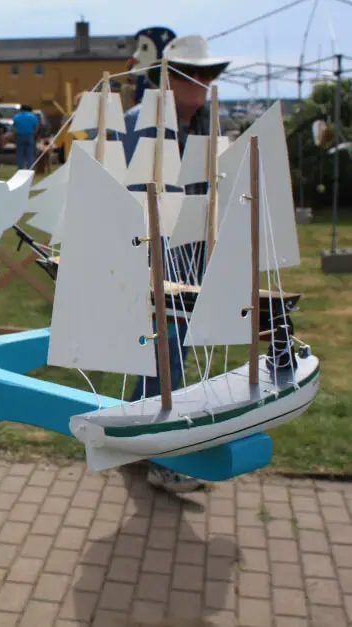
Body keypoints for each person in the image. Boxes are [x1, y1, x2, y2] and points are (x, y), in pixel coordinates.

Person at [118, 34, 230, 493]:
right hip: (153, 257)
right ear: (168, 78)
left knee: (168, 354)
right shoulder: (139, 124)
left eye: (209, 75)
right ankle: (161, 453)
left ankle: (134, 441)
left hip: (194, 255)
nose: (202, 84)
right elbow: (128, 192)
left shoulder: (206, 125)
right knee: (166, 356)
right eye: (193, 74)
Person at [11, 105, 39, 169]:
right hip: (29, 136)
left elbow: (13, 128)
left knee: (20, 154)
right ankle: (30, 168)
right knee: (30, 154)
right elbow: (36, 127)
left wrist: (14, 136)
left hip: (19, 136)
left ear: (21, 109)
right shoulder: (32, 116)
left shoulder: (16, 116)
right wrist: (34, 134)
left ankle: (20, 168)